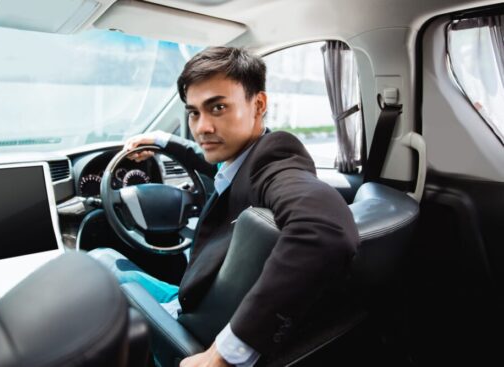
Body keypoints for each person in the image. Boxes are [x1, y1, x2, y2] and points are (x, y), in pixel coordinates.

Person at [89, 47, 359, 366]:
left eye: (217, 107)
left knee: (99, 261)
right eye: (194, 112)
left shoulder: (275, 161)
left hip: (191, 321)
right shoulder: (246, 156)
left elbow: (326, 230)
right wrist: (162, 141)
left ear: (258, 105)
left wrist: (226, 353)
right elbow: (214, 167)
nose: (202, 127)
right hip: (201, 297)